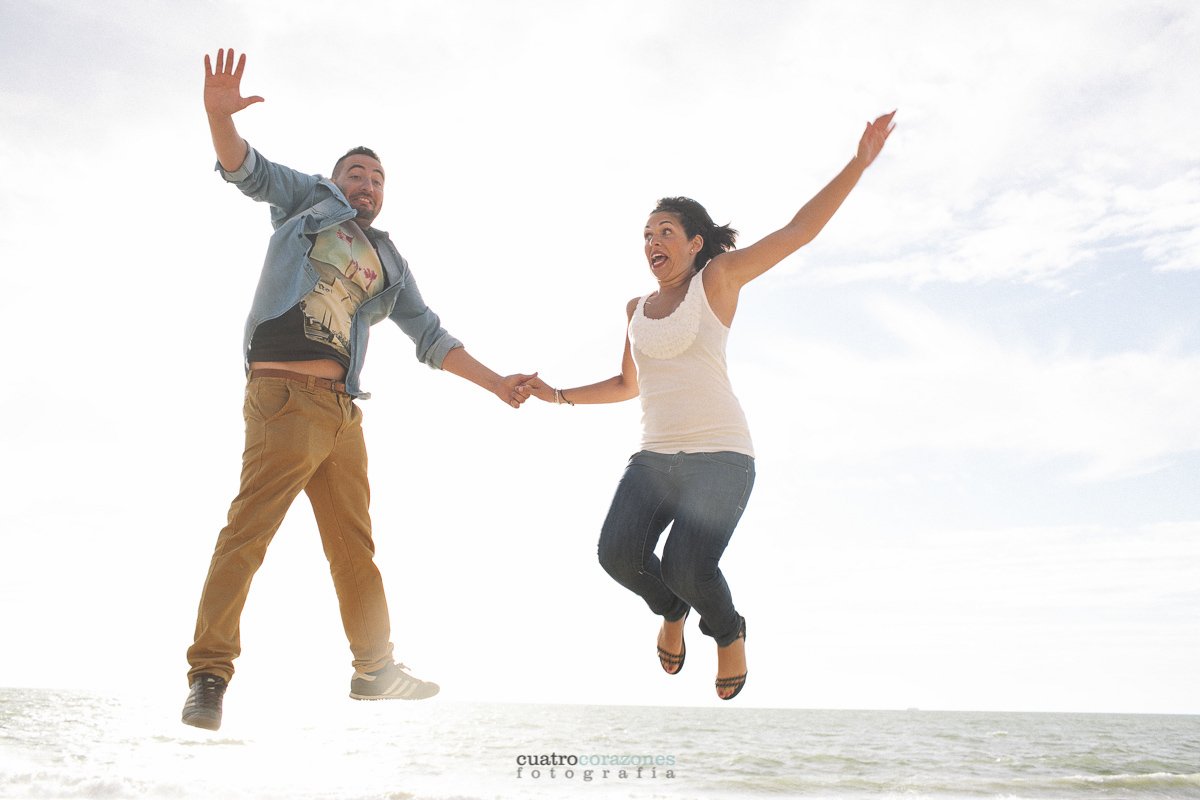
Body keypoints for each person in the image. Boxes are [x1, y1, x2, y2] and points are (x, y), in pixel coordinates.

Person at [182, 48, 536, 731]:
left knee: (355, 548)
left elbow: (430, 337)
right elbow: (243, 168)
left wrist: (495, 384)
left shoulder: (389, 262)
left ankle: (374, 670)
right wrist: (218, 118)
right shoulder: (309, 199)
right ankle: (208, 672)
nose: (365, 184)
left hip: (343, 415)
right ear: (338, 181)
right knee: (249, 533)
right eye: (355, 174)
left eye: (375, 178)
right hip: (284, 397)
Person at [524, 111, 895, 700]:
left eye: (665, 232)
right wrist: (558, 394)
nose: (653, 243)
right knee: (618, 555)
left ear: (695, 244)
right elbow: (628, 385)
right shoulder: (635, 309)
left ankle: (727, 630)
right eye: (647, 235)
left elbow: (799, 231)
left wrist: (858, 162)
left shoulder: (718, 279)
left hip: (720, 458)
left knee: (688, 565)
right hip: (654, 460)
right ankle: (671, 611)